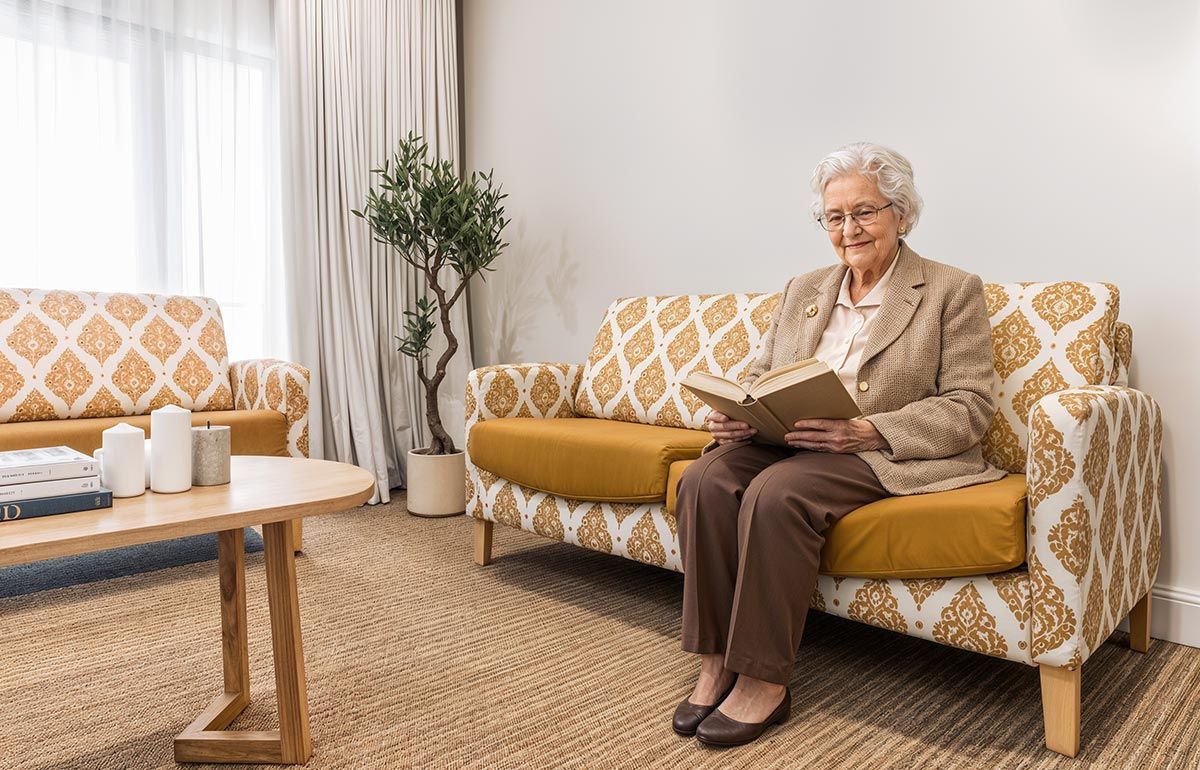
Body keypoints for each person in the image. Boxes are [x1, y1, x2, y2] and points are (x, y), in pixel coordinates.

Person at [672, 142, 1005, 747]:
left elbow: (971, 405)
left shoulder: (951, 290)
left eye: (864, 213)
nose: (848, 230)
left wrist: (867, 430)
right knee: (704, 479)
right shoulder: (805, 287)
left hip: (873, 450)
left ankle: (764, 681)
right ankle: (714, 661)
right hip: (790, 436)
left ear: (901, 214)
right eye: (834, 217)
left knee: (776, 493)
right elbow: (763, 369)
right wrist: (740, 410)